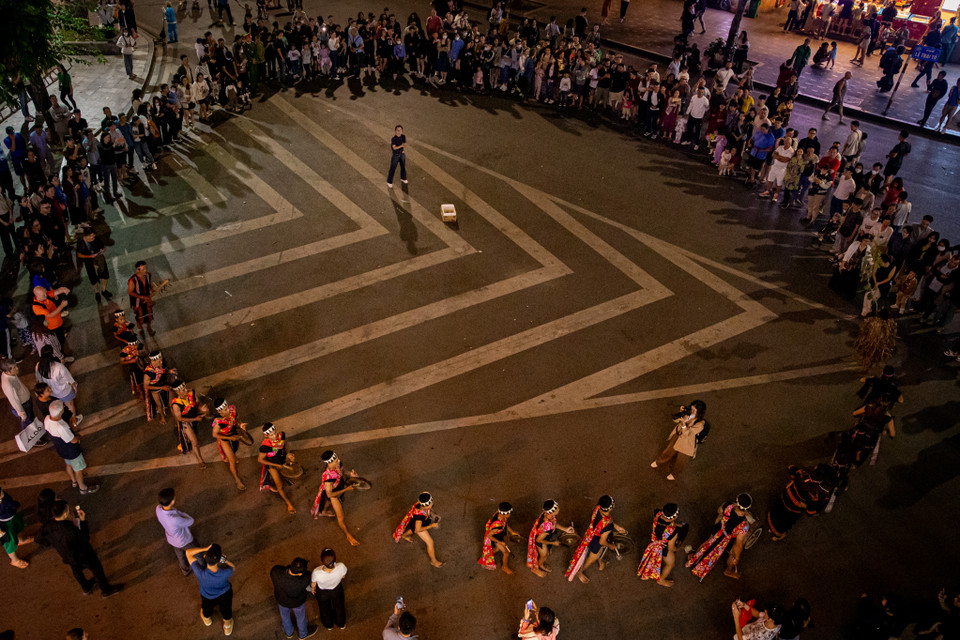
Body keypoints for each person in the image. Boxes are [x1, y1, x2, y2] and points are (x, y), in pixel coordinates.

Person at [38, 500, 121, 596]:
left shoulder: (48, 525)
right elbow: (85, 538)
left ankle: (86, 587)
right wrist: (83, 521)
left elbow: (38, 538)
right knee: (96, 569)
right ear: (64, 514)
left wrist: (54, 543)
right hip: (83, 554)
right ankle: (106, 590)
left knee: (76, 570)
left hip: (66, 555)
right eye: (68, 510)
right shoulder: (69, 530)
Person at [685, 493, 752, 580]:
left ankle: (694, 559)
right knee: (731, 554)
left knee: (705, 546)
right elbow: (738, 544)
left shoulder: (727, 506)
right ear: (748, 508)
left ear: (737, 501)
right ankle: (728, 570)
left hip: (717, 531)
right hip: (725, 541)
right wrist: (737, 557)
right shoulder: (743, 526)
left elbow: (719, 511)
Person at [565, 494, 628, 583]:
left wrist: (616, 526)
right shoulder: (608, 524)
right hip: (597, 541)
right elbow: (602, 541)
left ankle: (600, 561)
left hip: (590, 533)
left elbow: (603, 522)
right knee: (591, 558)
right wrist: (611, 546)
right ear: (611, 508)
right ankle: (580, 572)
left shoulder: (597, 508)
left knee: (597, 552)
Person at [43, 401, 98, 494]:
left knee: (68, 465)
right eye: (63, 408)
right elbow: (73, 440)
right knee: (78, 470)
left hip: (61, 450)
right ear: (60, 412)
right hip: (72, 451)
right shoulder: (61, 427)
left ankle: (74, 481)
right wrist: (78, 437)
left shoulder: (47, 419)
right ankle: (83, 488)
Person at [310, 449, 360, 545]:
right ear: (329, 463)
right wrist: (346, 489)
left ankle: (323, 512)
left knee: (327, 501)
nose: (339, 461)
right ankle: (348, 536)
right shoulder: (328, 478)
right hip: (333, 495)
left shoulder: (337, 465)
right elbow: (330, 494)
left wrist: (350, 474)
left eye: (338, 458)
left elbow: (342, 472)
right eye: (336, 460)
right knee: (340, 518)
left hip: (338, 488)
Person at [186, 544, 235, 636]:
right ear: (219, 560)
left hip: (207, 596)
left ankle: (207, 619)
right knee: (226, 609)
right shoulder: (226, 572)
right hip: (224, 595)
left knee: (206, 608)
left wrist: (205, 548)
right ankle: (227, 626)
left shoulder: (200, 572)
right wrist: (225, 561)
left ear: (205, 557)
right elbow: (232, 567)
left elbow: (188, 553)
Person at [651, 400, 707, 480]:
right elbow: (675, 420)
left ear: (699, 412)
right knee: (668, 450)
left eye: (694, 410)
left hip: (687, 443)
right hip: (678, 436)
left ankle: (675, 474)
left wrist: (684, 423)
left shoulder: (700, 424)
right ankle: (659, 462)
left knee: (681, 460)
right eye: (692, 409)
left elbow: (688, 433)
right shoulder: (688, 413)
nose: (692, 412)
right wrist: (681, 413)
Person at [636, 503, 688, 587]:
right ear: (674, 517)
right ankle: (661, 580)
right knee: (670, 564)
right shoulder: (673, 532)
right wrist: (677, 548)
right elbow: (671, 548)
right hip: (663, 547)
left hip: (655, 539)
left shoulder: (658, 513)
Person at [393, 492, 444, 567]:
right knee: (430, 542)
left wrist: (432, 514)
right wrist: (431, 526)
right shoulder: (419, 517)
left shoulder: (420, 505)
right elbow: (417, 529)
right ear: (426, 505)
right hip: (419, 526)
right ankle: (434, 561)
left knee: (413, 528)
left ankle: (404, 536)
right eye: (431, 503)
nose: (432, 503)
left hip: (415, 523)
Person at [526, 499, 575, 577]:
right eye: (557, 508)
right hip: (540, 541)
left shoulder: (547, 514)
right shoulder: (547, 525)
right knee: (544, 556)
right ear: (553, 512)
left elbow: (554, 524)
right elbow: (539, 540)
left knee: (546, 552)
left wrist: (565, 529)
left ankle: (541, 563)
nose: (559, 508)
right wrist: (553, 543)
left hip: (544, 535)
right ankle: (538, 567)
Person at [156, 487, 198, 576]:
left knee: (180, 556)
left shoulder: (158, 509)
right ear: (172, 501)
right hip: (184, 540)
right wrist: (180, 513)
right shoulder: (175, 519)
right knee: (196, 552)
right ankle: (201, 566)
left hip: (172, 539)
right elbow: (190, 521)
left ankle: (185, 570)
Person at [270, 557, 315, 639]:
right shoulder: (305, 578)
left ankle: (289, 632)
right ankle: (303, 634)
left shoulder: (276, 572)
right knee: (301, 618)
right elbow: (310, 581)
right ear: (300, 574)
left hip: (282, 600)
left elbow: (278, 568)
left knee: (285, 617)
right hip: (297, 602)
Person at [257, 422, 296, 513]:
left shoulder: (281, 436)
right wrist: (276, 465)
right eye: (271, 435)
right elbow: (260, 460)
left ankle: (270, 482)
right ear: (266, 436)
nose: (274, 436)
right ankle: (289, 504)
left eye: (274, 433)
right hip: (273, 465)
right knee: (280, 486)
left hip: (282, 461)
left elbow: (285, 445)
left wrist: (288, 454)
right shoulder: (266, 446)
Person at [211, 398, 247, 491]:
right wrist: (230, 438)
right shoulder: (218, 422)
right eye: (225, 409)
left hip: (234, 435)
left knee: (235, 449)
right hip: (225, 440)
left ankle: (232, 456)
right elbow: (214, 434)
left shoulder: (232, 409)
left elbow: (237, 418)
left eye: (227, 407)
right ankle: (237, 479)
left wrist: (241, 425)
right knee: (232, 461)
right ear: (219, 411)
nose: (228, 410)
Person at [169, 380, 208, 467]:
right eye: (183, 390)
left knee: (194, 436)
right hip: (186, 423)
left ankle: (189, 439)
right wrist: (195, 419)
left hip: (195, 418)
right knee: (195, 442)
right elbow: (179, 418)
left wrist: (201, 408)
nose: (186, 390)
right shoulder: (176, 404)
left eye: (185, 388)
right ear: (177, 392)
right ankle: (200, 460)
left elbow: (198, 402)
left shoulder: (191, 392)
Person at [478, 501, 521, 574]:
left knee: (497, 549)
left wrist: (512, 532)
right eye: (509, 513)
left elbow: (505, 524)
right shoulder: (497, 526)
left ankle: (486, 555)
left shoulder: (499, 514)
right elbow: (489, 536)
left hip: (498, 536)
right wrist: (500, 542)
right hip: (495, 539)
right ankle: (504, 567)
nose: (510, 514)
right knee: (506, 553)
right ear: (505, 514)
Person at [311, 548, 348, 631]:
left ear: (322, 560)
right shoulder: (341, 566)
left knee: (324, 608)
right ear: (334, 559)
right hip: (337, 589)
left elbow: (313, 583)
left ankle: (329, 625)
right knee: (339, 607)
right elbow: (343, 576)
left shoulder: (316, 572)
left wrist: (313, 589)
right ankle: (341, 624)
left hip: (323, 592)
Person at [75, 226, 113, 303]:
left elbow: (103, 246)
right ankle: (97, 292)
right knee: (93, 278)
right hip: (89, 262)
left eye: (93, 235)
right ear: (85, 235)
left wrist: (103, 250)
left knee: (104, 275)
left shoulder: (97, 238)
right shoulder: (81, 242)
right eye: (90, 236)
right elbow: (79, 255)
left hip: (100, 259)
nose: (92, 237)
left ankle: (104, 290)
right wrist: (89, 256)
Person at [0, 487, 34, 569]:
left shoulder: (3, 497)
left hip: (11, 516)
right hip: (3, 525)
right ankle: (14, 560)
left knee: (18, 527)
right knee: (9, 543)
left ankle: (20, 540)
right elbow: (14, 504)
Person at [2, 359, 34, 432]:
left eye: (16, 366)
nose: (17, 368)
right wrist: (23, 414)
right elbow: (14, 401)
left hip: (26, 402)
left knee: (31, 420)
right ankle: (33, 437)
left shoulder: (10, 374)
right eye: (14, 368)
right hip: (24, 405)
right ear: (7, 372)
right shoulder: (8, 385)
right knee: (28, 424)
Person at [127, 260, 155, 334]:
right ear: (137, 270)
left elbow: (149, 284)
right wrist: (142, 297)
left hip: (147, 298)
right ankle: (140, 326)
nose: (145, 271)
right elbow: (130, 292)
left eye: (146, 268)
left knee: (150, 314)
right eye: (143, 269)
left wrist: (152, 289)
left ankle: (149, 327)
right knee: (140, 316)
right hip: (137, 301)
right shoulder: (132, 280)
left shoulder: (148, 275)